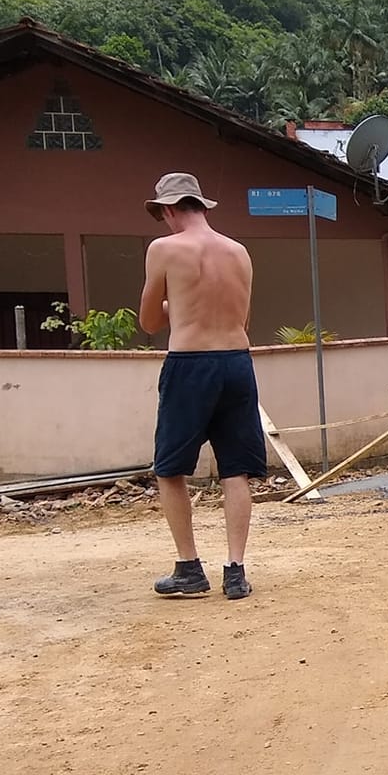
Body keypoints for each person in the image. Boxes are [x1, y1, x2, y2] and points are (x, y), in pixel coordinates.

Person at [138, 172, 263, 600]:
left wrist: (177, 303)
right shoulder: (239, 252)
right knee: (236, 469)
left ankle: (190, 569)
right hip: (236, 363)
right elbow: (244, 321)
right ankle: (235, 571)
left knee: (170, 468)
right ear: (202, 206)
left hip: (190, 364)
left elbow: (149, 321)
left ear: (170, 209)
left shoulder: (164, 249)